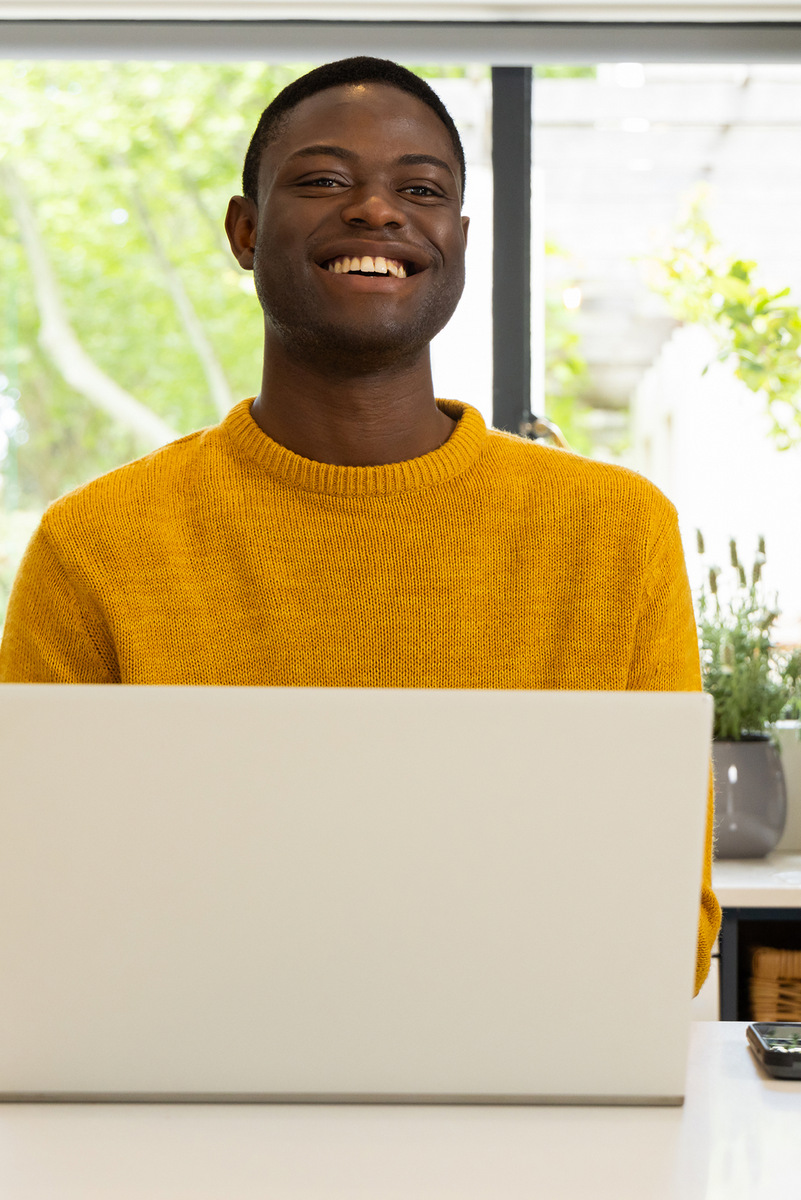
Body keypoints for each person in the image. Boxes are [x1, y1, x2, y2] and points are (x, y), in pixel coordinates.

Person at [0, 57, 719, 991]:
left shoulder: (615, 534)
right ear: (245, 231)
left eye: (420, 189)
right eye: (326, 179)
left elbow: (668, 925)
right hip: (183, 1104)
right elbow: (35, 899)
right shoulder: (96, 545)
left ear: (456, 239)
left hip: (529, 1098)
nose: (378, 211)